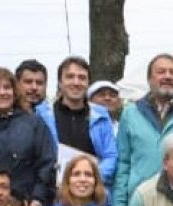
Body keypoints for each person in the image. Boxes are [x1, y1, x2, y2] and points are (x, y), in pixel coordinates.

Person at [114, 53, 173, 206]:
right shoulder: (131, 113)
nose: (168, 76)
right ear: (149, 79)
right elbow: (123, 162)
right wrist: (119, 205)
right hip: (139, 203)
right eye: (161, 72)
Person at [0, 67, 56, 206]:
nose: (2, 92)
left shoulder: (34, 124)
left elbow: (47, 166)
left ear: (15, 92)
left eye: (7, 87)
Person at [38, 56, 119, 191]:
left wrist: (90, 178)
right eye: (70, 77)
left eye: (82, 78)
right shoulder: (42, 115)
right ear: (59, 82)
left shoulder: (101, 116)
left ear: (88, 83)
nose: (76, 82)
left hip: (94, 192)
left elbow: (111, 156)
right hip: (54, 194)